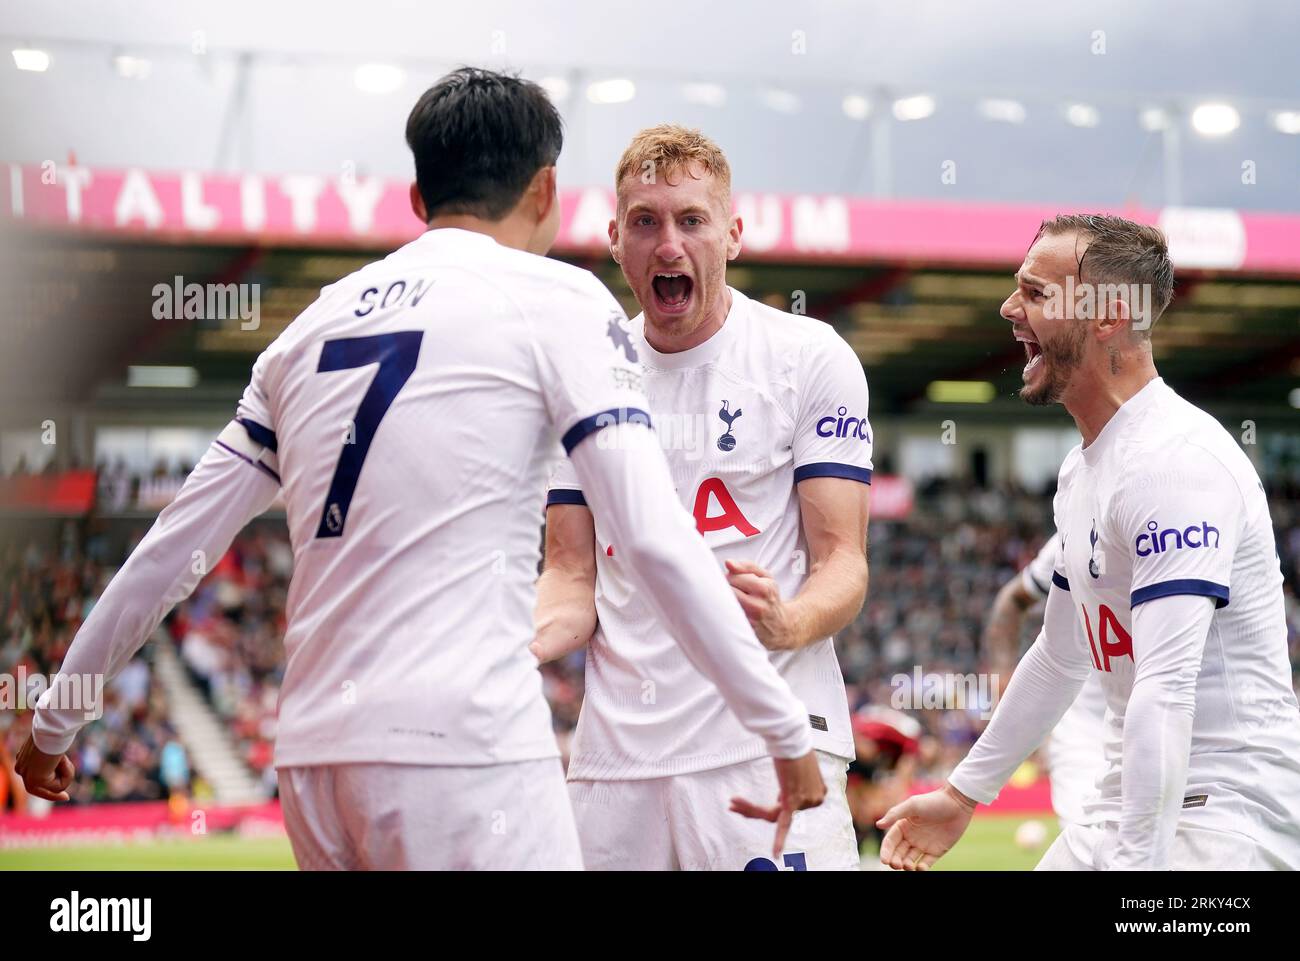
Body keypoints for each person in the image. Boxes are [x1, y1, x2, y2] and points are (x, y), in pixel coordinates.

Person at [15, 69, 825, 870]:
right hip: (464, 751)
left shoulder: (308, 330)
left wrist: (56, 719)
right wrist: (782, 728)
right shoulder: (560, 301)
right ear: (546, 191)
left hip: (314, 759)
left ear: (417, 198)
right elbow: (650, 539)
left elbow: (171, 549)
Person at [878, 214, 1300, 871]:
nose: (1009, 308)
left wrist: (1136, 876)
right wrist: (964, 792)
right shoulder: (1084, 470)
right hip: (1130, 795)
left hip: (1225, 815)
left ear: (1108, 315)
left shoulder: (1176, 465)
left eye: (1036, 293)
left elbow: (1165, 689)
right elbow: (1058, 654)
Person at [533, 124, 870, 870]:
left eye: (691, 219)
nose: (669, 244)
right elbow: (570, 576)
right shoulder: (584, 371)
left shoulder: (807, 359)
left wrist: (790, 621)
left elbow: (844, 562)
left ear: (733, 234)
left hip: (765, 741)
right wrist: (508, 645)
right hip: (616, 765)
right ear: (615, 237)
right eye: (646, 222)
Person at [983, 533, 1106, 827]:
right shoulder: (1077, 525)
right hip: (1085, 728)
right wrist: (1003, 673)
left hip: (1167, 718)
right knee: (1090, 848)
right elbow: (1013, 599)